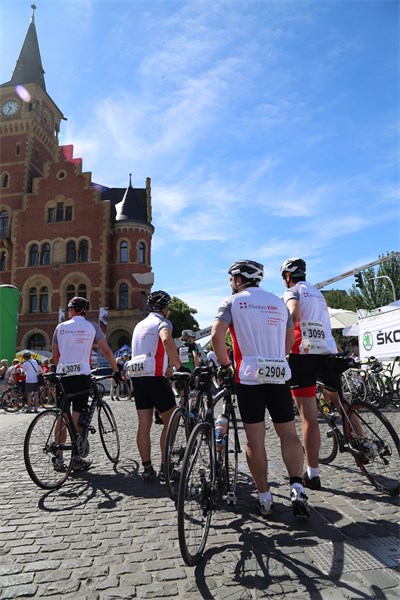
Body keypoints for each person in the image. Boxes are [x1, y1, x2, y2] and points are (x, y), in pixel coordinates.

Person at [211, 260, 309, 518]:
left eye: (231, 279)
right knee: (288, 433)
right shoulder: (279, 302)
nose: (230, 283)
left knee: (255, 439)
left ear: (239, 279)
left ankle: (265, 497)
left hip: (249, 377)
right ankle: (297, 486)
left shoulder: (232, 302)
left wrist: (224, 366)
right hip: (278, 373)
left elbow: (216, 336)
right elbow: (289, 343)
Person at [280, 258, 339, 491]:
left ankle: (312, 474)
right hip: (326, 352)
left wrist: (282, 343)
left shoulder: (292, 292)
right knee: (340, 400)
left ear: (287, 277)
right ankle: (361, 438)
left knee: (309, 417)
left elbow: (293, 314)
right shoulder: (318, 293)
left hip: (302, 354)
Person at [52, 296, 121, 471]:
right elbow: (105, 350)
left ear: (72, 310)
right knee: (77, 415)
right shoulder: (92, 327)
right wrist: (116, 370)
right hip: (81, 376)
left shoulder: (60, 327)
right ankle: (75, 458)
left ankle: (58, 457)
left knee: (62, 416)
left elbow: (54, 357)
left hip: (63, 376)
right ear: (85, 310)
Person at [129, 290, 190, 483]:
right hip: (155, 378)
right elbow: (165, 339)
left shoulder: (139, 325)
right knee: (171, 422)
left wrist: (168, 369)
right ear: (164, 309)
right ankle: (166, 467)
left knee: (144, 426)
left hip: (138, 377)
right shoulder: (162, 322)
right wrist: (180, 367)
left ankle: (147, 469)